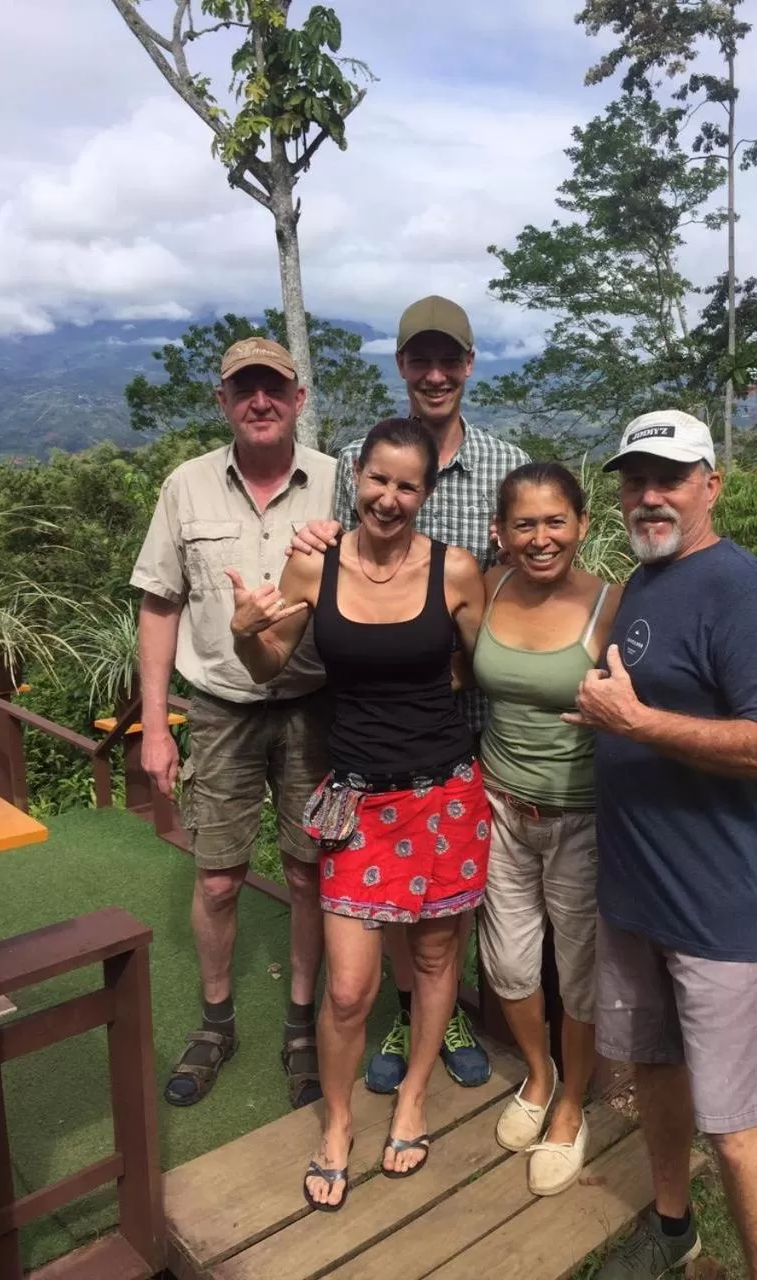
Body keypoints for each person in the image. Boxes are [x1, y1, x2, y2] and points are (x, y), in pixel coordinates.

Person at [564, 410, 757, 1280]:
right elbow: (620, 684)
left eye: (670, 478)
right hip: (636, 890)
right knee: (655, 1073)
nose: (650, 496)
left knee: (735, 1124)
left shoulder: (741, 591)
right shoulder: (643, 583)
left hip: (713, 902)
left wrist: (639, 722)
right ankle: (673, 1230)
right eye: (635, 480)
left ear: (713, 484)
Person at [230, 416, 490, 1212]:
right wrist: (245, 634)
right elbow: (269, 662)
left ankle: (412, 1095)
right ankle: (337, 1121)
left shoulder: (456, 572)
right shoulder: (314, 564)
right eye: (377, 479)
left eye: (407, 484)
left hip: (446, 792)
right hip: (358, 800)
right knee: (349, 988)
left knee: (439, 959)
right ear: (357, 479)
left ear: (427, 491)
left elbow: (492, 666)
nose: (390, 497)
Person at [293, 295, 529, 1093]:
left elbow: (537, 569)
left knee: (445, 901)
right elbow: (341, 558)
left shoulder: (505, 464)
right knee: (389, 887)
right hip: (378, 717)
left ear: (469, 365)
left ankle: (446, 1010)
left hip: (474, 715)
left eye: (449, 360)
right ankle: (410, 1011)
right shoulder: (360, 459)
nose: (435, 374)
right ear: (401, 366)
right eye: (419, 360)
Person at [132, 337, 335, 1110]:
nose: (260, 401)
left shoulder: (337, 485)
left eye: (273, 388)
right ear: (222, 401)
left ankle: (301, 1023)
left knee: (308, 872)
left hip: (316, 705)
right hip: (218, 707)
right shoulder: (186, 486)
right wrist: (155, 726)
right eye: (244, 389)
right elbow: (160, 602)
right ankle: (217, 1020)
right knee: (217, 876)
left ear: (297, 398)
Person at [473, 462, 622, 1196]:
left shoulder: (613, 605)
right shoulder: (481, 589)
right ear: (500, 532)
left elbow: (677, 679)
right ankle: (538, 1074)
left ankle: (570, 1105)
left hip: (582, 817)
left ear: (583, 525)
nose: (541, 538)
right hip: (499, 807)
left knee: (581, 970)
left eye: (555, 521)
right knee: (508, 963)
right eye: (524, 524)